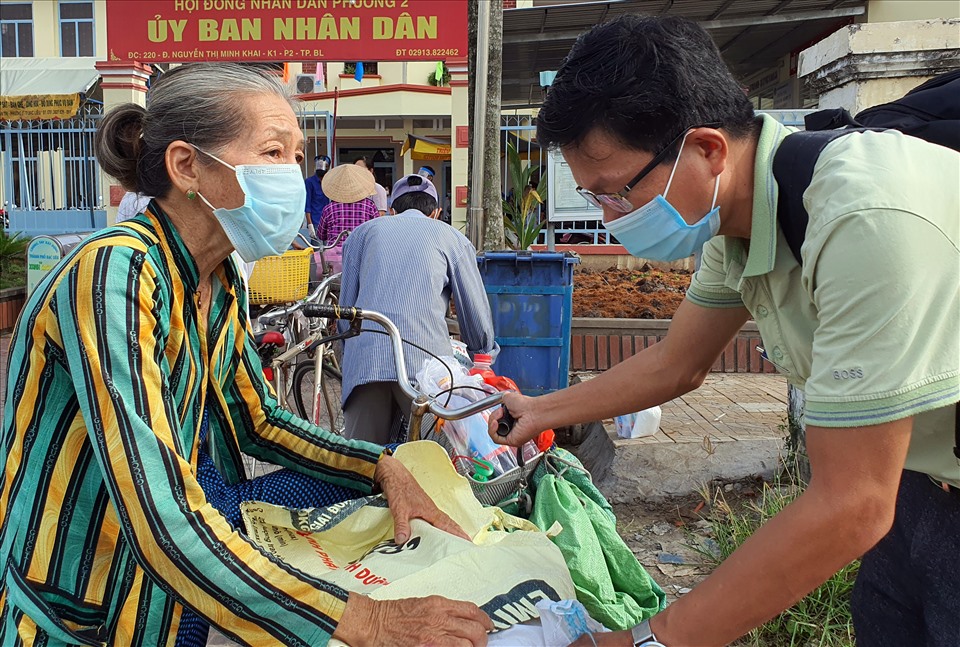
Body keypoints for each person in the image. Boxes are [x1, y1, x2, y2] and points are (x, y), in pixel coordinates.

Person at [489, 15, 959, 647]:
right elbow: (676, 364)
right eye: (594, 198)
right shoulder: (733, 219)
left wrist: (647, 641)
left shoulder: (864, 217)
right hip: (918, 487)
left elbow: (851, 503)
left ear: (707, 150)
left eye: (618, 194)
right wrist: (536, 409)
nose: (609, 218)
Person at [0, 63, 493, 647]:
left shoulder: (221, 278)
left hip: (167, 584)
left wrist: (381, 466)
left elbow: (257, 421)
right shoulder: (117, 273)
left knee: (359, 482)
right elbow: (157, 512)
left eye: (296, 155)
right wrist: (364, 620)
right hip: (84, 596)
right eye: (273, 152)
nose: (293, 174)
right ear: (187, 167)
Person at [339, 174, 498, 444]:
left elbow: (346, 314)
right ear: (435, 213)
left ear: (391, 210)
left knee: (361, 465)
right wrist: (482, 354)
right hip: (427, 369)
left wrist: (350, 358)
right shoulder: (452, 238)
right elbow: (474, 311)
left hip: (366, 363)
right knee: (433, 463)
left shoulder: (362, 233)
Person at [317, 163, 380, 246]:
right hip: (361, 252)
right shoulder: (369, 206)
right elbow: (377, 231)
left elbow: (321, 235)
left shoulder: (329, 208)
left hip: (335, 255)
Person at [304, 153, 332, 235]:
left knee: (329, 247)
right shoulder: (309, 182)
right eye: (319, 165)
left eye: (323, 165)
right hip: (316, 222)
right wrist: (310, 224)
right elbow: (307, 205)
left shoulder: (330, 182)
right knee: (318, 247)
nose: (321, 167)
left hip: (329, 222)